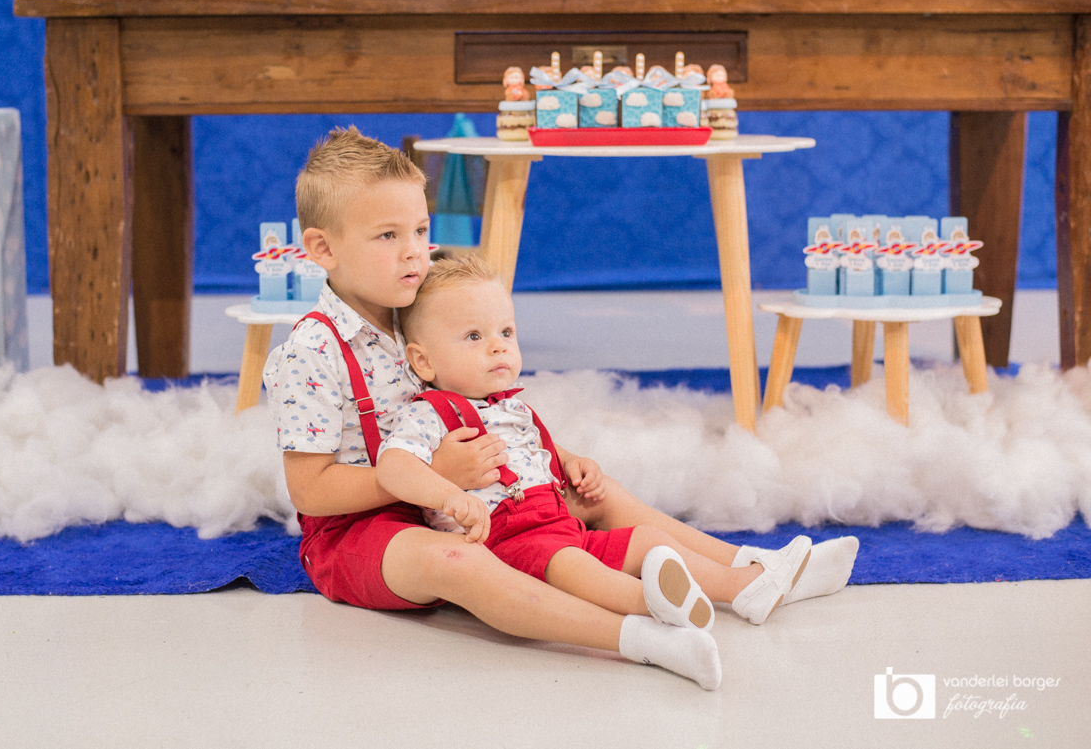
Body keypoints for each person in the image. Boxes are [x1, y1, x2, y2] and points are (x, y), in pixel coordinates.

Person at [263, 126, 857, 687]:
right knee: (456, 563)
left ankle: (749, 572)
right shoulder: (312, 352)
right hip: (361, 530)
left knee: (591, 495)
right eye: (387, 237)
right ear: (323, 248)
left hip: (460, 497)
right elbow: (310, 492)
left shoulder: (413, 309)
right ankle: (640, 637)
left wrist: (553, 457)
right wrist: (433, 478)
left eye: (421, 230)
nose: (414, 253)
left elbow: (480, 407)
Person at [376, 256, 814, 641]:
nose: (498, 345)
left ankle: (741, 587)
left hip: (558, 523)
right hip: (505, 543)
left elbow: (540, 451)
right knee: (577, 568)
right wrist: (446, 495)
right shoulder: (429, 413)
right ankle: (653, 606)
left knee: (648, 539)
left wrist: (572, 462)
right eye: (474, 336)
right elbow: (393, 465)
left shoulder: (511, 406)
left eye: (506, 331)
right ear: (423, 361)